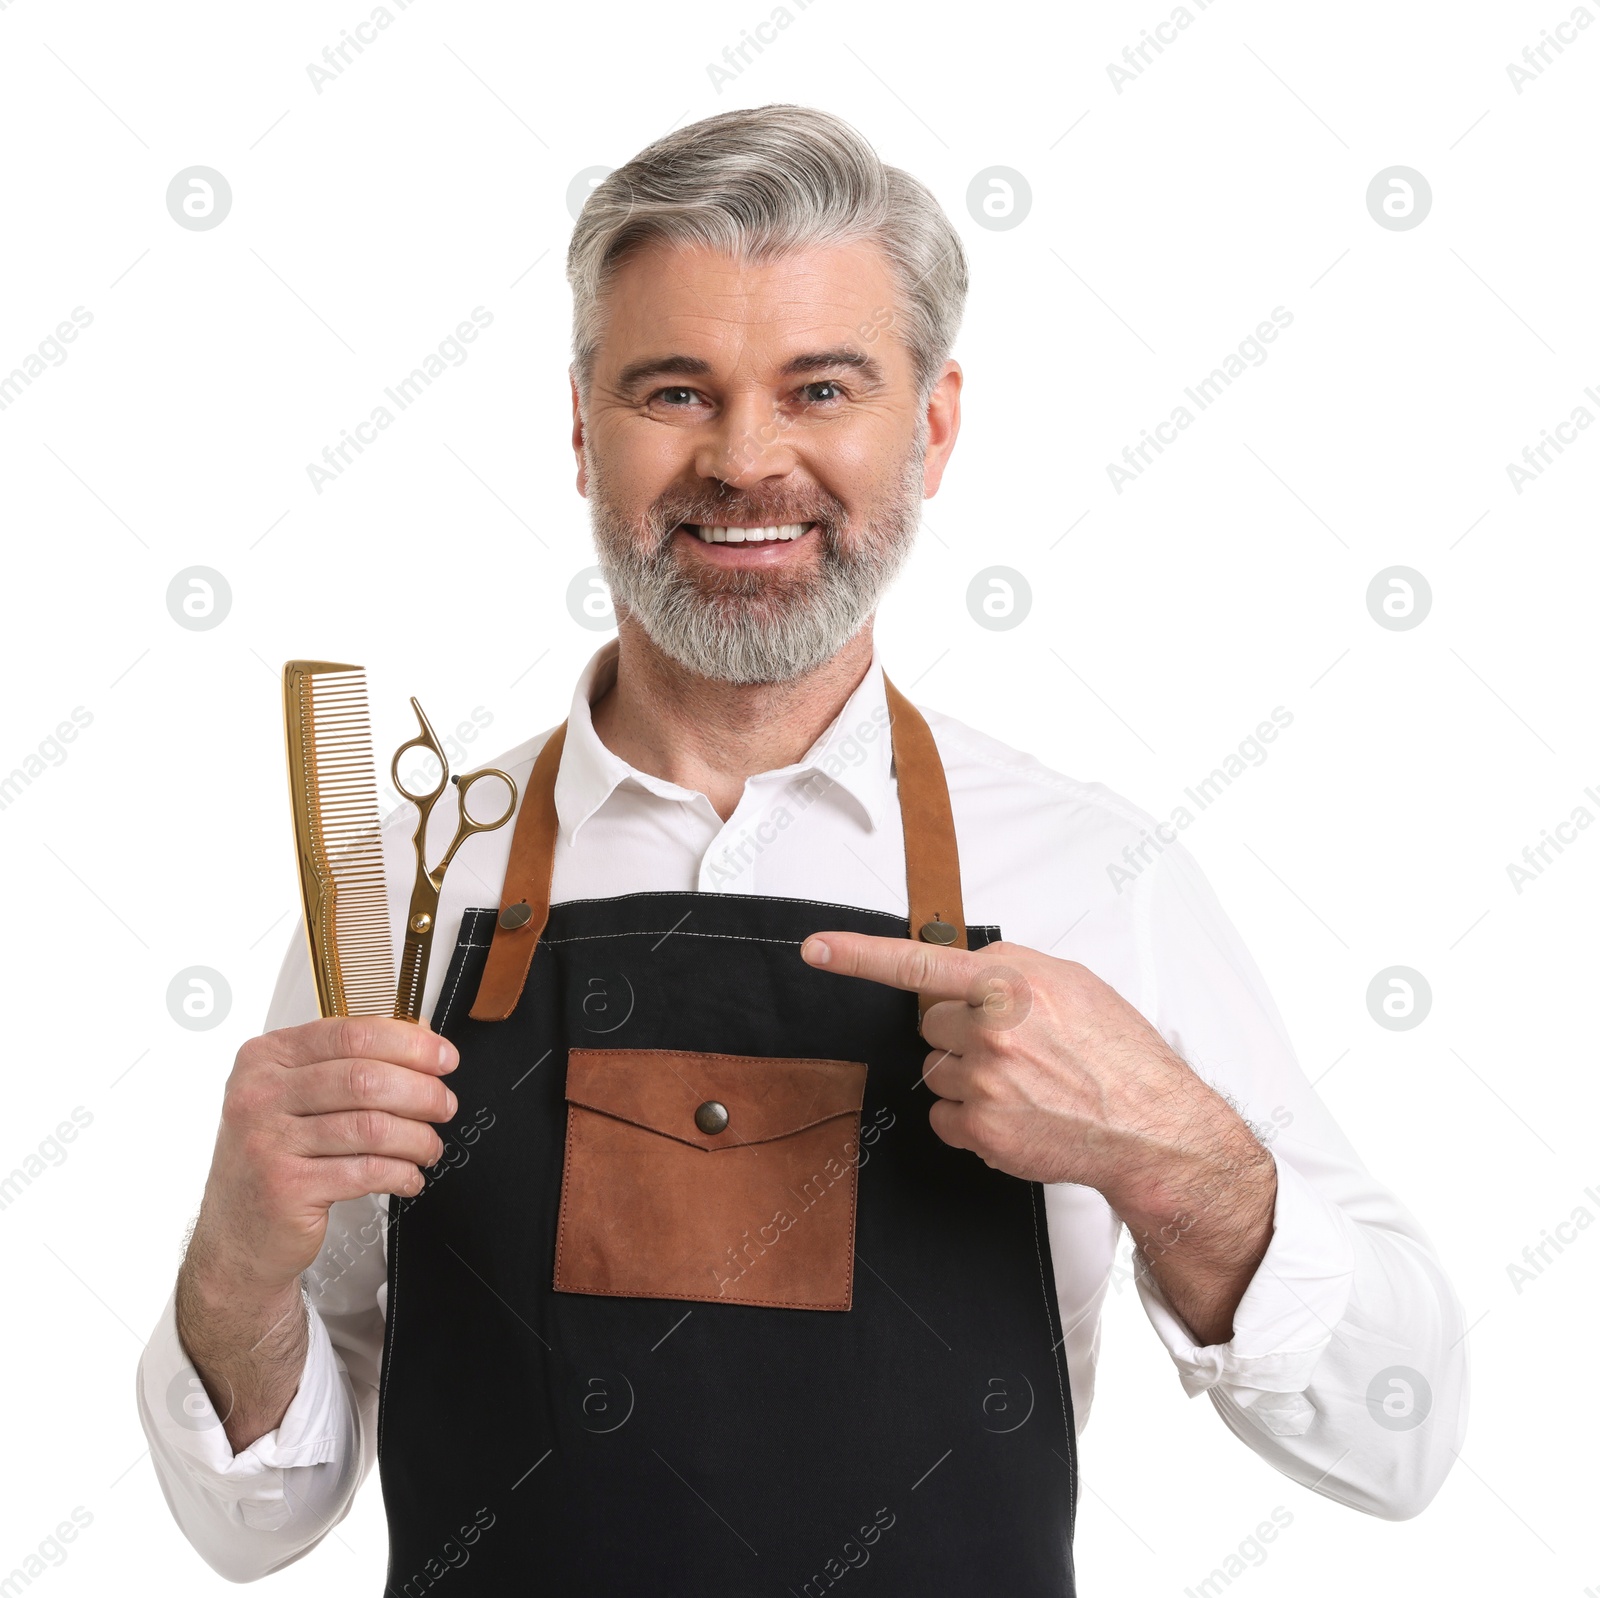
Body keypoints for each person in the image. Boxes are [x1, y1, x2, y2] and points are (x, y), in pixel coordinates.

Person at [137, 103, 1466, 1593]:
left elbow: (1400, 1442)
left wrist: (1179, 1157)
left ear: (934, 424)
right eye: (675, 390)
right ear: (582, 427)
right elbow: (255, 1521)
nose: (747, 457)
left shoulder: (1096, 878)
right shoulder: (400, 892)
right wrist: (237, 1259)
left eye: (820, 386)